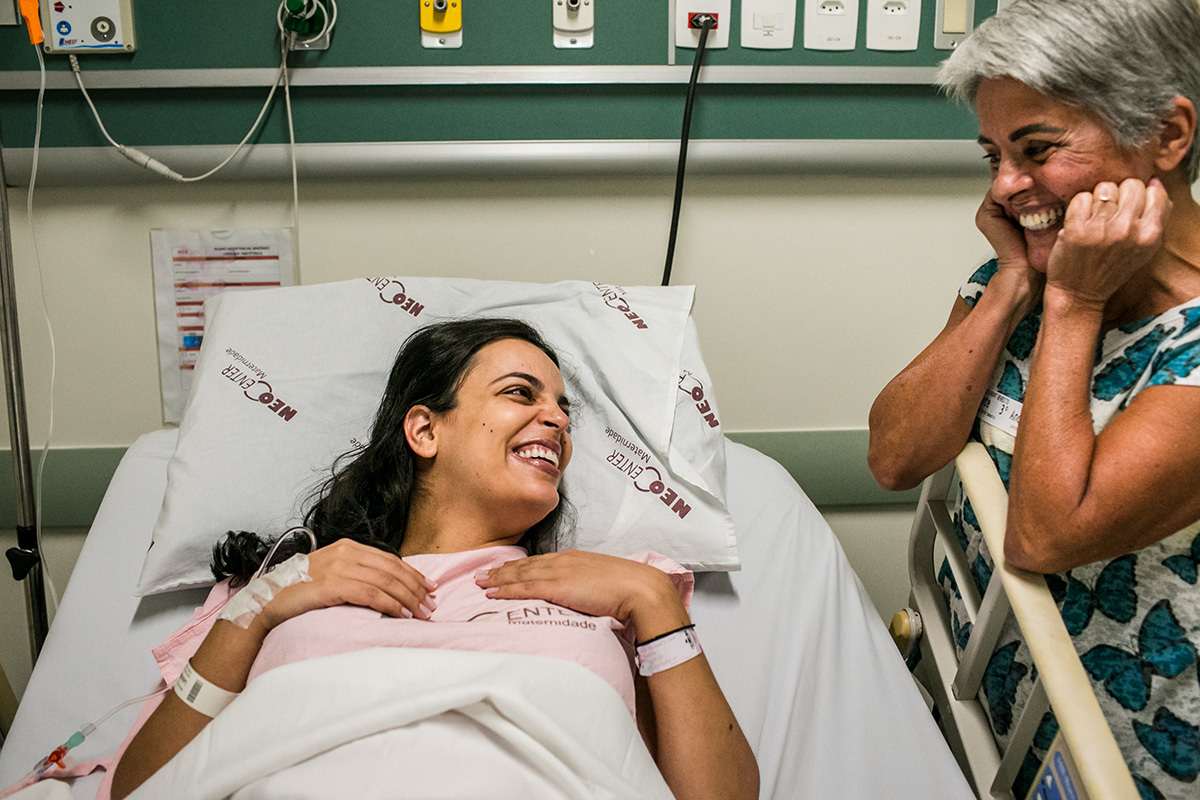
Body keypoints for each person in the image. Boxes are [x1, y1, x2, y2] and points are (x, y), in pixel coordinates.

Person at [111, 318, 758, 799]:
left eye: (565, 411)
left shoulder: (619, 591)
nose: (558, 421)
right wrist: (258, 605)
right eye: (521, 394)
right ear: (425, 430)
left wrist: (654, 603)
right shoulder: (289, 583)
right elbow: (140, 788)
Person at [867, 0, 1200, 796]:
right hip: (981, 695)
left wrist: (1073, 306)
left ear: (1168, 135)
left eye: (1037, 149)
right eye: (993, 156)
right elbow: (894, 456)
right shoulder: (1026, 275)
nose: (1006, 186)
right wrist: (1015, 283)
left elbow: (1044, 538)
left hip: (1125, 751)